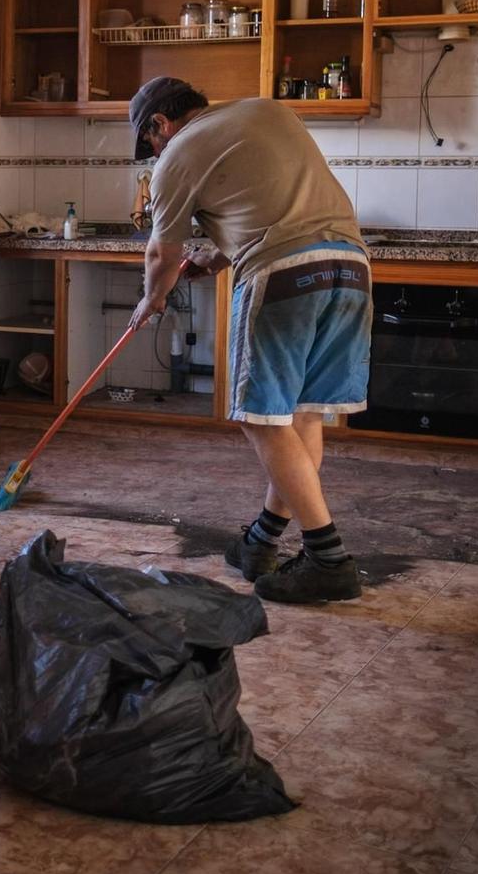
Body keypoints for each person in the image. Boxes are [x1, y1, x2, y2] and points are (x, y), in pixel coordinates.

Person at [126, 76, 369, 603]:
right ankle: (261, 542)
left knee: (261, 418)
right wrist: (217, 256)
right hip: (350, 267)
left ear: (159, 125)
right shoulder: (265, 111)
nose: (155, 151)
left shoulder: (176, 154)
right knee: (300, 415)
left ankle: (329, 559)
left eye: (150, 141)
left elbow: (160, 256)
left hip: (282, 275)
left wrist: (151, 301)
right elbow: (272, 207)